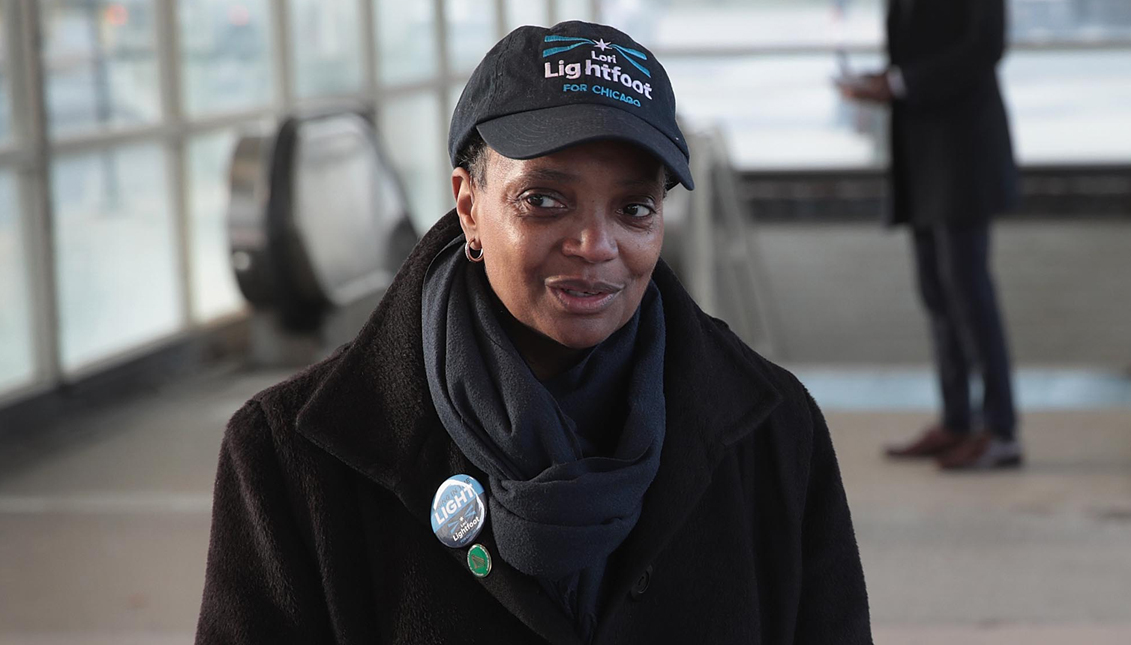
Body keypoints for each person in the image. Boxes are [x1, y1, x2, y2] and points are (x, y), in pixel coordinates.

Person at [196, 21, 871, 644]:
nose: (594, 244)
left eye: (634, 208)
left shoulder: (773, 432)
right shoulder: (292, 455)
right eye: (543, 199)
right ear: (468, 205)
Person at [838, 0, 1022, 470]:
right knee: (938, 293)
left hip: (963, 153)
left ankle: (1000, 430)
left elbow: (984, 47)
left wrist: (899, 83)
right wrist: (884, 81)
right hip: (921, 154)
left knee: (968, 291)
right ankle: (957, 421)